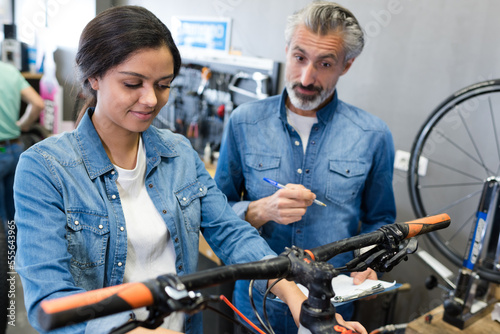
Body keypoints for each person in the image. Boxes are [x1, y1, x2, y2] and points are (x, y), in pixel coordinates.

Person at [13, 6, 366, 334]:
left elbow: (231, 233)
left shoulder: (178, 152)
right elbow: (50, 302)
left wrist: (297, 297)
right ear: (93, 77)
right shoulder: (45, 169)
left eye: (163, 85)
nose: (151, 100)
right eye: (132, 84)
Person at [215, 2, 396, 333]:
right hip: (257, 306)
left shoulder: (374, 135)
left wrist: (370, 262)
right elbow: (216, 214)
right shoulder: (243, 122)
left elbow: (380, 219)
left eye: (325, 63)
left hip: (332, 308)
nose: (306, 77)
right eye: (299, 58)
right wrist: (261, 209)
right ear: (286, 50)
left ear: (347, 65)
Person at [0, 60, 44, 229]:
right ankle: (15, 254)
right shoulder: (10, 70)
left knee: (3, 220)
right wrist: (23, 125)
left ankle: (7, 254)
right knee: (16, 215)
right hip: (15, 148)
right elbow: (38, 104)